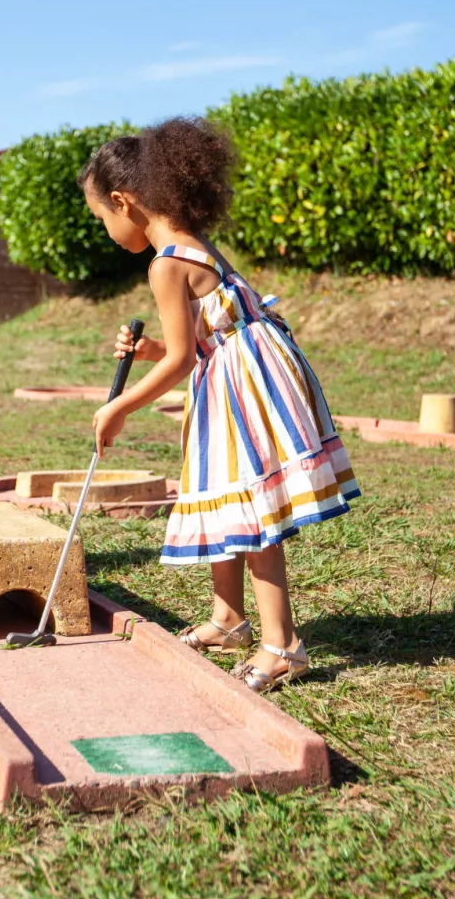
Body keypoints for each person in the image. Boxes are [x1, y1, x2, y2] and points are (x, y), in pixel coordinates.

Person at [80, 117, 361, 692]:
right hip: (246, 371)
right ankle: (228, 618)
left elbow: (184, 361)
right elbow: (207, 333)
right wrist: (150, 348)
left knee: (255, 508)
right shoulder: (193, 244)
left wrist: (120, 407)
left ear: (122, 202)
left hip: (241, 386)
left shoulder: (164, 263)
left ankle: (282, 645)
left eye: (101, 219)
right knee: (226, 496)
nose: (105, 231)